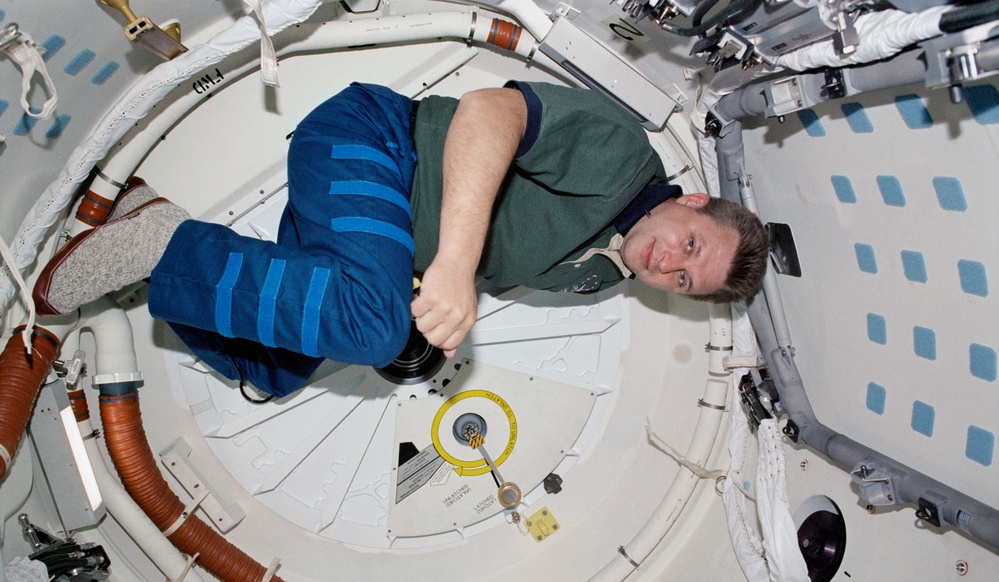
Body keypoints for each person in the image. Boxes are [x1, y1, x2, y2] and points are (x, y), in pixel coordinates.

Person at [33, 81, 768, 398]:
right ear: (693, 202)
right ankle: (165, 246)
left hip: (369, 234)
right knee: (369, 322)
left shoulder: (601, 276)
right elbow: (488, 113)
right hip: (375, 146)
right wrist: (451, 263)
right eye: (691, 248)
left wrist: (432, 287)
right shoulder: (620, 158)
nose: (667, 265)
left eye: (681, 283)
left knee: (276, 372)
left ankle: (149, 218)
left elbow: (490, 249)